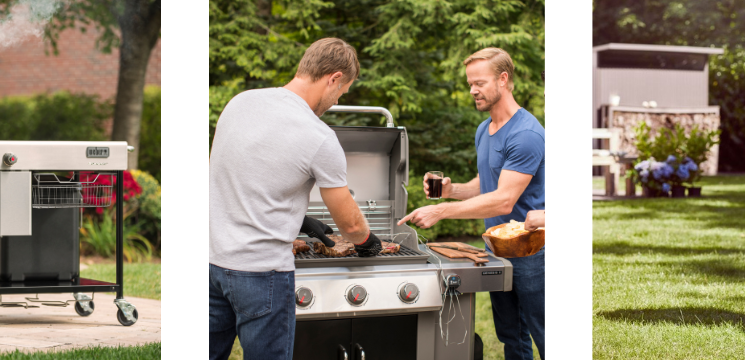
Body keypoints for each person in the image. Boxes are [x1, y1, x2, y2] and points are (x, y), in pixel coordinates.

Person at [209, 37, 382, 360]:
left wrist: (298, 218)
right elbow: (349, 222)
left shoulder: (240, 102)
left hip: (213, 264)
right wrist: (368, 242)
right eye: (340, 93)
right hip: (263, 275)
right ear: (334, 78)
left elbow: (229, 175)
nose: (334, 101)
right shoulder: (318, 136)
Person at [397, 47, 545, 359]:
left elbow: (504, 200)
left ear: (503, 80)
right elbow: (488, 184)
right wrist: (452, 190)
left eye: (479, 82)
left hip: (534, 251)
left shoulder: (526, 133)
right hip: (498, 248)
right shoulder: (485, 130)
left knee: (545, 334)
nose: (472, 90)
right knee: (511, 336)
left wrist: (441, 210)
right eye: (469, 84)